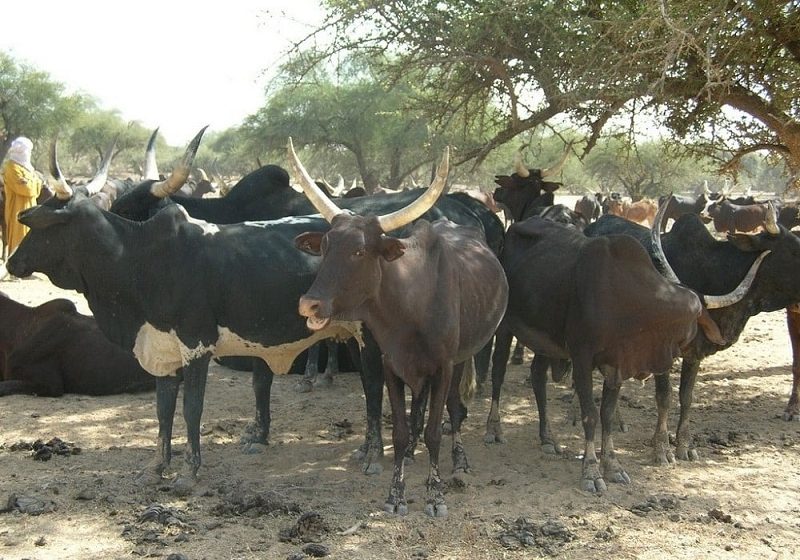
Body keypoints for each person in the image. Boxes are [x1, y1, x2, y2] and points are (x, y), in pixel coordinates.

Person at [2, 137, 43, 257]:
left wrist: (31, 182)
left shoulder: (27, 168)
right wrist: (34, 181)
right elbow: (27, 189)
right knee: (18, 238)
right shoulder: (12, 168)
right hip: (17, 210)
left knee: (30, 237)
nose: (28, 154)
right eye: (27, 151)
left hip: (31, 207)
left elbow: (35, 188)